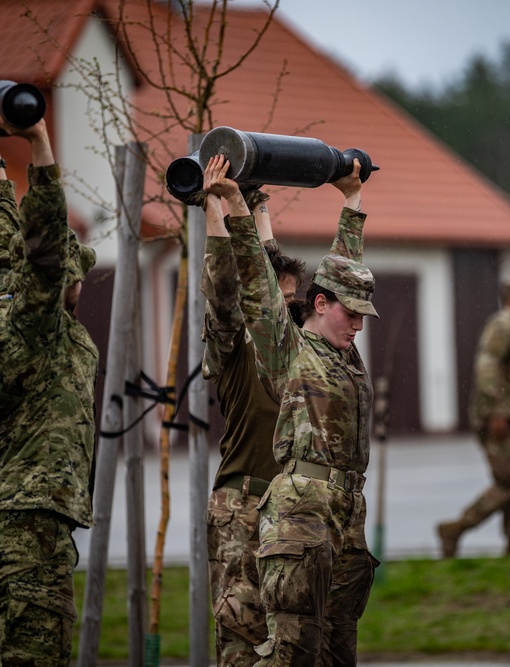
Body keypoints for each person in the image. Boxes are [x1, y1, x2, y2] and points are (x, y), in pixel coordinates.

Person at [207, 154, 378, 666]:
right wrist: (236, 204)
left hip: (345, 515)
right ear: (319, 304)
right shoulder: (288, 349)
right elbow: (257, 284)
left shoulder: (343, 353)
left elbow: (347, 271)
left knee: (336, 650)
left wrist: (351, 199)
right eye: (350, 315)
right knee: (292, 653)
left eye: (363, 317)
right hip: (300, 511)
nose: (359, 326)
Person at [0, 100, 98, 666]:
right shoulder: (36, 321)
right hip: (30, 532)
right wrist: (38, 147)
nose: (79, 283)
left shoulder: (1, 300)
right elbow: (37, 241)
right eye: (72, 271)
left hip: (9, 522)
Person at [437, 275, 510, 559]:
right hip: (500, 415)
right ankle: (457, 528)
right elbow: (488, 365)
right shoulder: (503, 325)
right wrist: (496, 409)